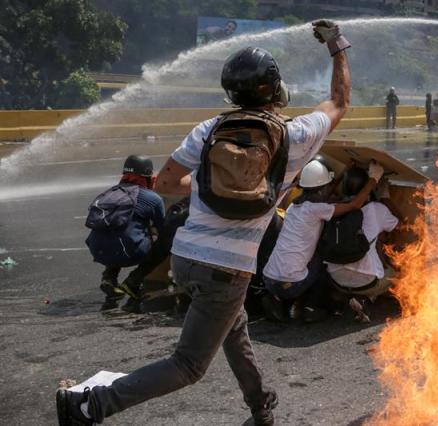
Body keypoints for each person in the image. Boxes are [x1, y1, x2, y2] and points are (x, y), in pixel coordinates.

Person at [56, 19, 352, 426]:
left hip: (186, 259)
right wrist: (337, 46)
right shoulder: (295, 135)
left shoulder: (210, 129)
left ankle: (260, 406)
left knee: (235, 328)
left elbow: (163, 182)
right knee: (189, 365)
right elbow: (338, 101)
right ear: (276, 89)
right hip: (227, 270)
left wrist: (210, 188)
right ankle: (91, 405)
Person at [261, 160, 384, 323]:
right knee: (324, 256)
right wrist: (374, 178)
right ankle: (312, 307)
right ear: (321, 189)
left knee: (305, 260)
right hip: (291, 284)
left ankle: (276, 299)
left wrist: (345, 170)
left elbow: (322, 194)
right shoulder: (317, 210)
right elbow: (355, 205)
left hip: (269, 279)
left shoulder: (294, 207)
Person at [84, 155, 165, 310]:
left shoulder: (109, 193)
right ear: (149, 176)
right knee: (165, 242)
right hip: (128, 253)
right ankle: (133, 281)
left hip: (97, 250)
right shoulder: (153, 198)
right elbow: (163, 228)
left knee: (118, 233)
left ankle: (109, 277)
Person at [325, 169, 399, 320]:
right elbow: (397, 224)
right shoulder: (376, 209)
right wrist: (384, 196)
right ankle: (366, 298)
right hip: (367, 282)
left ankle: (344, 296)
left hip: (335, 280)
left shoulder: (332, 208)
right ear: (369, 187)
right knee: (395, 275)